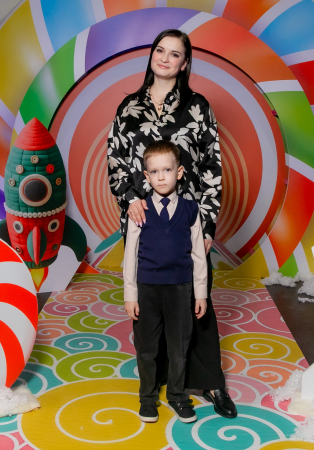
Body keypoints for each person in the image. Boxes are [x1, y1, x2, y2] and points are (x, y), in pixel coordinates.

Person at [107, 28, 237, 419]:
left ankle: (209, 381)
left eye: (175, 54)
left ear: (184, 63)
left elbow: (212, 164)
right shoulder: (128, 107)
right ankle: (158, 379)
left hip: (187, 220)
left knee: (196, 301)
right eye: (160, 51)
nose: (165, 58)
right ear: (152, 55)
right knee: (148, 305)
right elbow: (115, 159)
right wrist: (130, 198)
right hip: (143, 220)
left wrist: (207, 224)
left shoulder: (198, 106)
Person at [123, 140, 207, 423]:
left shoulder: (191, 209)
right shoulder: (139, 211)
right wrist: (130, 295)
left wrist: (201, 293)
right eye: (154, 171)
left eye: (167, 170)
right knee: (146, 348)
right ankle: (147, 399)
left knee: (179, 348)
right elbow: (130, 255)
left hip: (180, 290)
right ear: (146, 176)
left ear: (179, 172)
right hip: (147, 290)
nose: (161, 177)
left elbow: (198, 255)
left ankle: (177, 395)